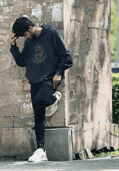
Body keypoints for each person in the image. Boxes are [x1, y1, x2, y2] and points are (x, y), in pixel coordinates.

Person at [9, 16, 73, 162]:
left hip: (48, 79)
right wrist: (13, 45)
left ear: (30, 28)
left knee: (42, 100)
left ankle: (55, 97)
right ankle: (41, 150)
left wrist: (59, 73)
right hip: (35, 81)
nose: (25, 38)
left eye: (25, 34)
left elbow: (67, 57)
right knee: (38, 118)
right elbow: (21, 62)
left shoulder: (51, 34)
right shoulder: (28, 42)